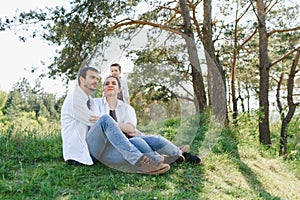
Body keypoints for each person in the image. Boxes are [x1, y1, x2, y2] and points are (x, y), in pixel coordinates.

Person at [60, 67, 170, 175]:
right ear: (82, 80)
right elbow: (99, 123)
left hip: (99, 149)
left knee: (136, 141)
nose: (95, 81)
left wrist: (129, 132)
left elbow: (107, 129)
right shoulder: (75, 99)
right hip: (81, 153)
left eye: (97, 79)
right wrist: (123, 130)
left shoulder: (89, 100)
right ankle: (140, 162)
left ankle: (157, 160)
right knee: (105, 119)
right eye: (92, 78)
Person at [94, 75, 201, 165]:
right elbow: (99, 127)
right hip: (109, 147)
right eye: (107, 84)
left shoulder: (126, 108)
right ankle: (161, 159)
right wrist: (120, 127)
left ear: (119, 89)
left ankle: (180, 154)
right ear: (103, 89)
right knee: (138, 142)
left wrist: (111, 126)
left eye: (113, 83)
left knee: (156, 139)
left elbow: (131, 128)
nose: (110, 85)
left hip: (129, 138)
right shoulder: (96, 104)